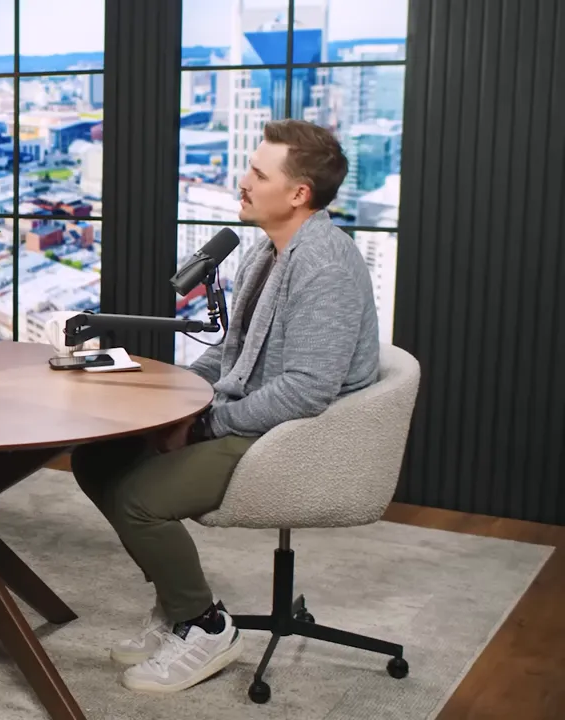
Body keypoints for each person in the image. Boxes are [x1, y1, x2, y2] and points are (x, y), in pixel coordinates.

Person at [70, 119, 379, 694]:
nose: (242, 182)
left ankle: (206, 625)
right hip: (252, 416)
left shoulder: (325, 264)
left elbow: (306, 390)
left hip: (290, 436)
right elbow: (233, 356)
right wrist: (176, 399)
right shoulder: (268, 252)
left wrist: (206, 424)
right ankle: (177, 606)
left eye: (258, 174)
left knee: (139, 500)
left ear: (298, 194)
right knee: (98, 457)